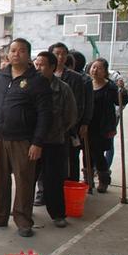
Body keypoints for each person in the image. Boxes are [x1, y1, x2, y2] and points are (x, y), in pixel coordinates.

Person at [0, 38, 52, 238]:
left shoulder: (37, 81)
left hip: (23, 140)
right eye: (12, 50)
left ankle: (23, 220)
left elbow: (45, 115)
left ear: (28, 55)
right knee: (0, 179)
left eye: (21, 51)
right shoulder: (0, 75)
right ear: (7, 54)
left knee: (24, 181)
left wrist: (37, 142)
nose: (16, 54)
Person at [33, 52, 77, 227]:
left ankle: (58, 214)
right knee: (28, 178)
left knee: (53, 180)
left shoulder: (63, 88)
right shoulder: (29, 85)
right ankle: (23, 210)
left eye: (42, 65)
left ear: (52, 67)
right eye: (36, 64)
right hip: (32, 141)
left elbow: (70, 116)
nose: (38, 68)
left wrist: (57, 130)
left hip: (54, 141)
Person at [45, 43, 88, 195]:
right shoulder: (41, 76)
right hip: (44, 129)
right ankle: (43, 192)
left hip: (65, 128)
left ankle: (69, 191)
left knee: (67, 161)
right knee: (43, 162)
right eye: (57, 53)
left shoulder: (75, 78)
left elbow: (78, 105)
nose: (61, 57)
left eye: (64, 53)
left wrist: (69, 126)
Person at [87, 58, 127, 193]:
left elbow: (120, 101)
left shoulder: (110, 87)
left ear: (105, 72)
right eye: (93, 67)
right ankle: (88, 180)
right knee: (87, 152)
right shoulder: (86, 84)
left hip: (103, 126)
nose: (95, 70)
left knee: (98, 153)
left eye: (99, 68)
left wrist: (122, 90)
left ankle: (103, 180)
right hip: (87, 124)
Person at [68, 50, 94, 182]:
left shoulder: (84, 79)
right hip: (66, 125)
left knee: (74, 154)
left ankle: (76, 182)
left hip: (76, 124)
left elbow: (88, 103)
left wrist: (85, 123)